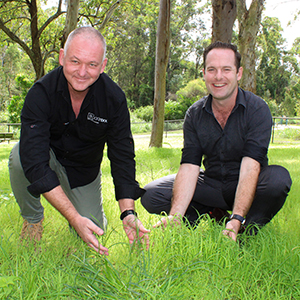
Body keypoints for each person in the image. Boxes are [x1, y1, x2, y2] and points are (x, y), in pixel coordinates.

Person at [9, 26, 149, 255]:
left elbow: (122, 156)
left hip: (84, 171)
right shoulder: (41, 92)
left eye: (92, 64)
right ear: (62, 57)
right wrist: (73, 218)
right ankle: (33, 219)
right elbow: (34, 160)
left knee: (93, 233)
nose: (82, 72)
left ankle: (87, 215)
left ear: (102, 66)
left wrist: (128, 213)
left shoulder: (114, 99)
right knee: (18, 157)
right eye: (75, 61)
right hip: (48, 161)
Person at [141, 41, 292, 241]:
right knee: (151, 194)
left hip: (248, 181)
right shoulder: (194, 114)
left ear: (238, 73)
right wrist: (175, 215)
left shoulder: (257, 109)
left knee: (278, 179)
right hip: (211, 183)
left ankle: (246, 230)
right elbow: (189, 166)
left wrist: (237, 218)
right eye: (212, 69)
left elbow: (250, 166)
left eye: (226, 69)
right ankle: (210, 215)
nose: (218, 76)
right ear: (204, 73)